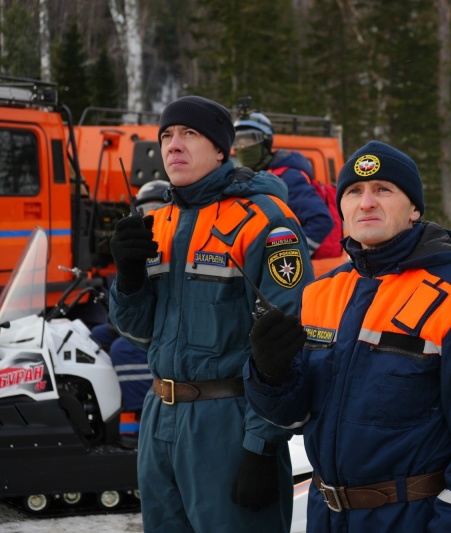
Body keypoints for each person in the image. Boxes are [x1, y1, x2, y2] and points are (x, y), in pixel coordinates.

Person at [243, 140, 451, 532]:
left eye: (383, 189)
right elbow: (298, 416)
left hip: (413, 517)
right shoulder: (320, 293)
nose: (366, 202)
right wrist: (269, 375)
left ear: (414, 209)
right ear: (341, 207)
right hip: (327, 517)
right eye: (355, 191)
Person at [108, 95, 314, 532]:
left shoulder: (265, 222)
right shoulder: (157, 224)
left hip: (227, 424)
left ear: (221, 149)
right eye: (166, 136)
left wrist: (262, 447)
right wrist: (127, 278)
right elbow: (138, 333)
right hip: (159, 418)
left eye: (189, 134)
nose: (173, 145)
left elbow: (289, 345)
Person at [91, 180, 170, 413]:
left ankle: (136, 414)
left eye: (157, 209)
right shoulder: (135, 242)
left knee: (121, 349)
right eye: (143, 210)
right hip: (141, 313)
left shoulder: (173, 241)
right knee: (94, 335)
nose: (149, 215)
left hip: (159, 321)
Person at [233, 111, 336, 258]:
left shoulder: (288, 177)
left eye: (249, 141)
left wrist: (291, 256)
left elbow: (321, 221)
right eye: (237, 142)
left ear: (265, 142)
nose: (242, 147)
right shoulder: (254, 177)